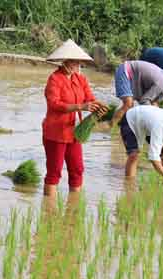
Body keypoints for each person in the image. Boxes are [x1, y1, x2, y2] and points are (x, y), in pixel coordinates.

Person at [42, 39, 108, 197]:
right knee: (55, 171)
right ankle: (49, 209)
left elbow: (90, 98)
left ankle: (74, 206)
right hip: (55, 132)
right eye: (73, 61)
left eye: (78, 61)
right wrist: (80, 106)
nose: (77, 64)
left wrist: (100, 106)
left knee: (77, 169)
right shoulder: (55, 79)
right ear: (64, 61)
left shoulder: (80, 79)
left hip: (74, 132)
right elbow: (54, 104)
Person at [111, 60, 163, 125]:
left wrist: (160, 117)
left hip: (132, 74)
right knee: (128, 104)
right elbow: (144, 100)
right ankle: (109, 126)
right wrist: (152, 115)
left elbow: (154, 102)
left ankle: (121, 124)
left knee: (130, 108)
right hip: (126, 70)